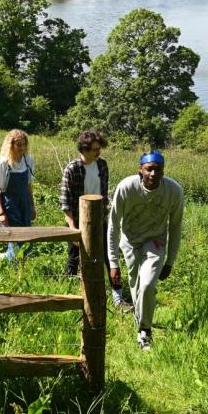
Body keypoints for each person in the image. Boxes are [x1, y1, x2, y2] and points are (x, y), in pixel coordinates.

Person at [108, 150, 184, 351]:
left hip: (155, 243)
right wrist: (113, 263)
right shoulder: (126, 188)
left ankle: (145, 332)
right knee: (135, 286)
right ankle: (140, 319)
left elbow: (176, 226)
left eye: (158, 170)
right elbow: (114, 225)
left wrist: (170, 261)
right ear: (140, 170)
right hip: (130, 242)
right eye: (149, 169)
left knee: (148, 284)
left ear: (163, 171)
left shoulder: (173, 191)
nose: (153, 174)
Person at [60, 130, 133, 310]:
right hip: (77, 222)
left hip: (100, 221)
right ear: (84, 149)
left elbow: (105, 195)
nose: (98, 152)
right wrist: (72, 229)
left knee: (110, 257)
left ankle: (118, 299)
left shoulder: (102, 165)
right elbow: (65, 202)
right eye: (94, 149)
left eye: (99, 149)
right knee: (74, 258)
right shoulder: (72, 169)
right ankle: (67, 297)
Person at [0, 129, 35, 262]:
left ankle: (7, 260)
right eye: (18, 145)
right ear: (11, 145)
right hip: (10, 204)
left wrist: (32, 206)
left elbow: (29, 185)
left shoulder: (28, 160)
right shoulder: (3, 163)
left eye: (23, 144)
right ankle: (11, 265)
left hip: (25, 202)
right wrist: (1, 212)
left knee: (28, 237)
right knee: (16, 238)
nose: (22, 148)